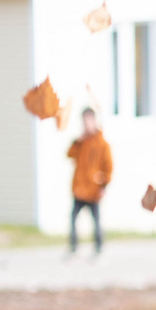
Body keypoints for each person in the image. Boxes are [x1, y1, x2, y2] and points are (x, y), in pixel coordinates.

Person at [66, 107, 113, 257]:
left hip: (93, 189)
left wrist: (104, 185)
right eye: (84, 121)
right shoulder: (81, 142)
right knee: (73, 217)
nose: (86, 124)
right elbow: (69, 154)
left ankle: (99, 248)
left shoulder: (101, 144)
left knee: (96, 220)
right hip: (80, 188)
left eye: (88, 120)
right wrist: (78, 141)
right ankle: (74, 248)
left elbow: (108, 167)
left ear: (94, 121)